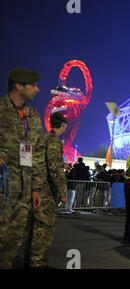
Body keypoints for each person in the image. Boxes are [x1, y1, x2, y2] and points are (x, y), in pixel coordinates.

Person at [0, 68, 45, 268]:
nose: (37, 89)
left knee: (13, 241)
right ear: (19, 86)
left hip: (24, 192)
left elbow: (37, 154)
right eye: (33, 85)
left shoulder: (33, 117)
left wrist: (36, 187)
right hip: (3, 189)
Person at [23, 112, 68, 268]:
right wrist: (63, 191)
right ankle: (38, 262)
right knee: (44, 227)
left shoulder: (40, 139)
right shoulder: (54, 142)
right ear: (63, 125)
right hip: (45, 191)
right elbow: (54, 168)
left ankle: (29, 260)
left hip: (33, 188)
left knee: (32, 226)